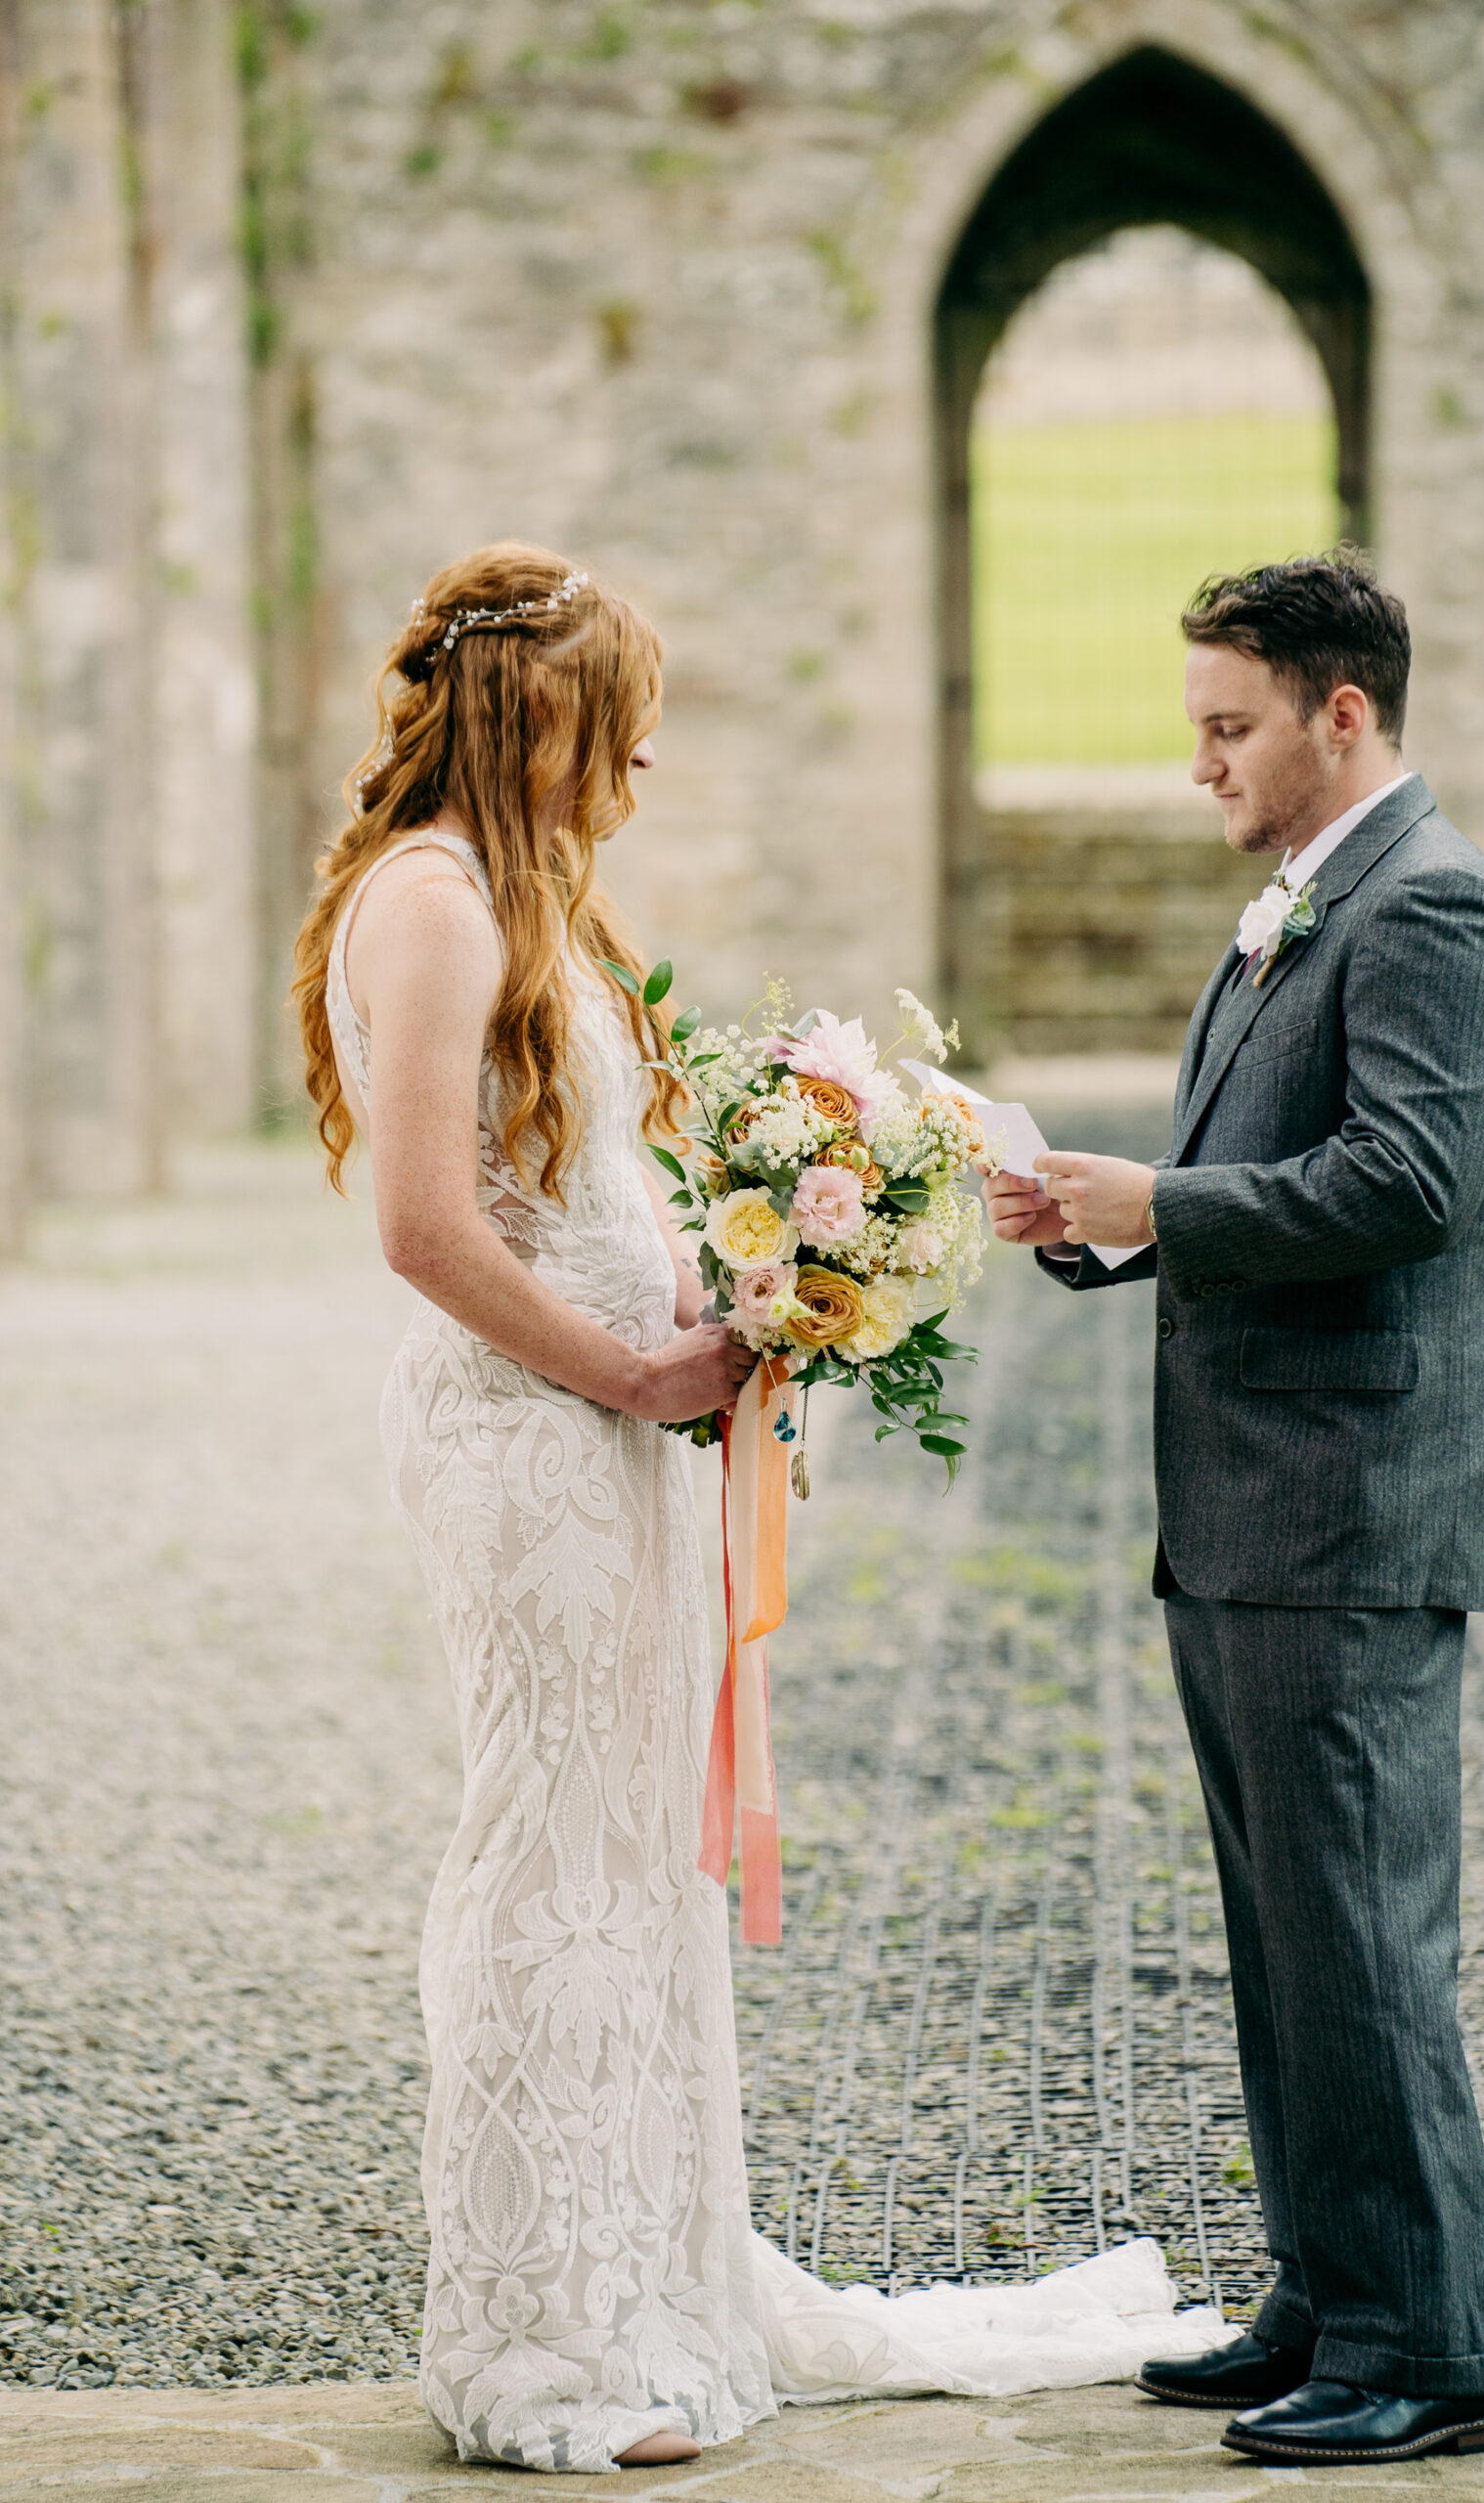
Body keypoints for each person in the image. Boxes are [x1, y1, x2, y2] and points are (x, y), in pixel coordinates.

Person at [293, 542, 1223, 2475]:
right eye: (616, 736)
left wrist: (753, 1292)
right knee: (553, 1840)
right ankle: (540, 2331)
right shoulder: (431, 904)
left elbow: (597, 1172)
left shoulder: (531, 904)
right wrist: (633, 1367)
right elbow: (418, 1224)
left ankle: (651, 2273)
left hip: (624, 1438)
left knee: (640, 1849)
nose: (632, 777)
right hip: (534, 1449)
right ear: (532, 719)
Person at [985, 554, 1484, 2469]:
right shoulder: (1301, 908)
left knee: (1361, 1942)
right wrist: (1083, 1220)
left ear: (1342, 715)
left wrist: (1156, 1199)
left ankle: (1429, 2353)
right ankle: (1325, 2287)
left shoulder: (1435, 903)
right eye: (1194, 727)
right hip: (1244, 1510)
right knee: (1285, 1931)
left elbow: (1402, 1179)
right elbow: (1245, 1175)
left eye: (1227, 727)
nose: (1197, 764)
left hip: (1348, 1511)